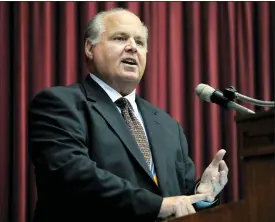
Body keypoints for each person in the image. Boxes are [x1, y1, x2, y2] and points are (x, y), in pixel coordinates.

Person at [28, 8, 228, 222]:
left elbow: (180, 201)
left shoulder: (168, 126)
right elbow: (72, 176)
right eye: (120, 38)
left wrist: (203, 194)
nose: (133, 47)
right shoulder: (59, 104)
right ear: (90, 48)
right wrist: (157, 206)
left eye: (140, 43)